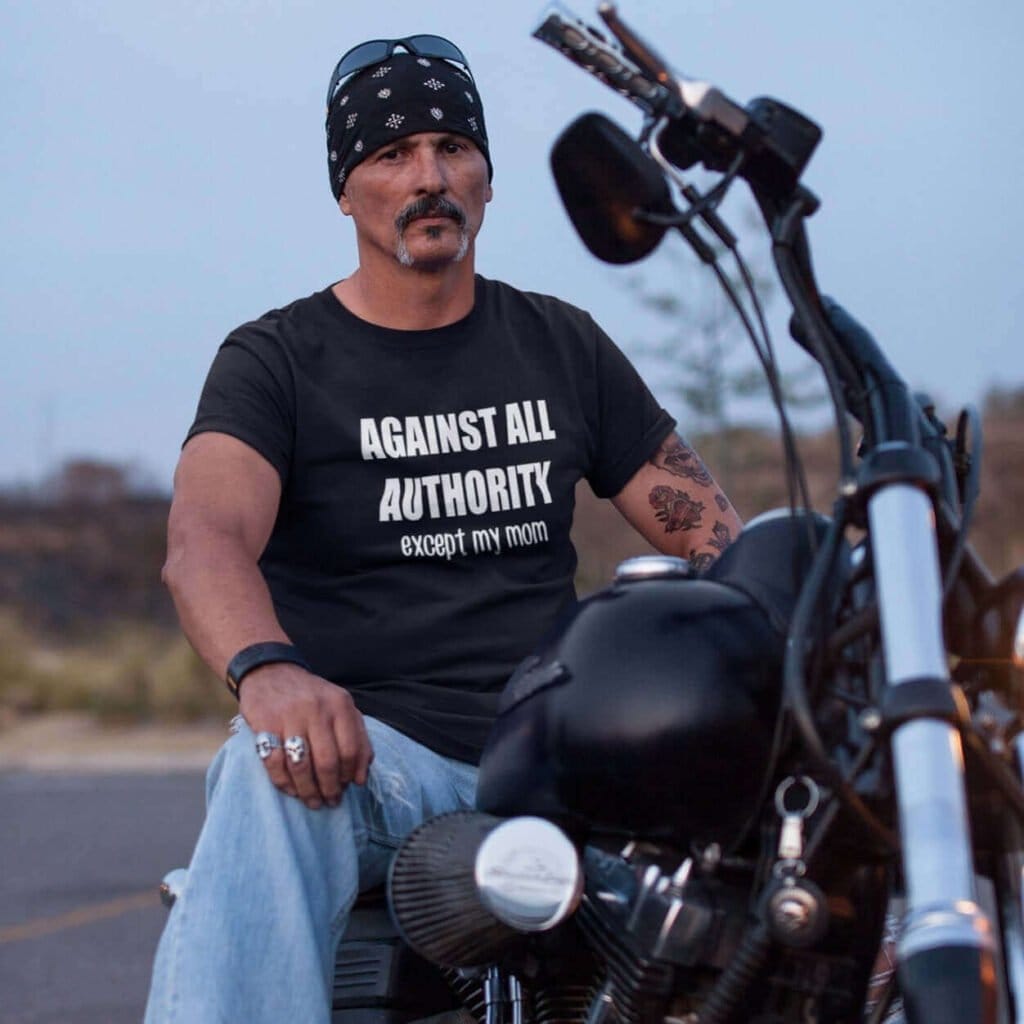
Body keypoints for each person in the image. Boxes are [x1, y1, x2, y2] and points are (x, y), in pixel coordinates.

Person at [144, 35, 743, 1024]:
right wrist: (267, 669)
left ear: (487, 179)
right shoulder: (277, 360)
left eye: (452, 147)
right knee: (266, 773)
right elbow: (202, 542)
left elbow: (711, 529)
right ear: (347, 190)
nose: (428, 176)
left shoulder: (561, 342)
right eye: (390, 154)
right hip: (380, 761)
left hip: (566, 756)